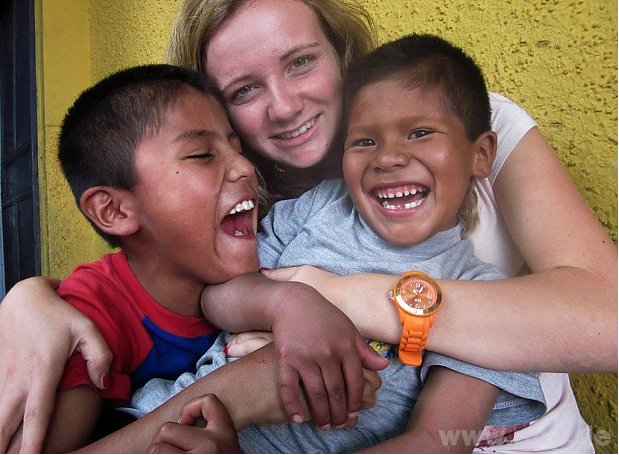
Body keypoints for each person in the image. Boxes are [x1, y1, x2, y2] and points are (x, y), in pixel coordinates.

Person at [0, 0, 616, 452]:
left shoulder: (461, 119)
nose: (286, 105)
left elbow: (608, 323)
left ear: (342, 55)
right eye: (244, 89)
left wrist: (331, 298)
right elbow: (168, 285)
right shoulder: (245, 201)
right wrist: (32, 296)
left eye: (301, 62)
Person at [126, 33, 550, 454]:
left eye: (420, 132)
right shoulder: (318, 208)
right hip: (155, 417)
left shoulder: (484, 297)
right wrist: (289, 307)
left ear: (481, 154)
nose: (387, 158)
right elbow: (217, 295)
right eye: (364, 141)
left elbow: (435, 443)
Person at [4, 63, 384, 453]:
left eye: (237, 148)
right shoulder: (86, 324)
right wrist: (234, 396)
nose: (245, 167)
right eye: (203, 154)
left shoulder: (264, 251)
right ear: (114, 211)